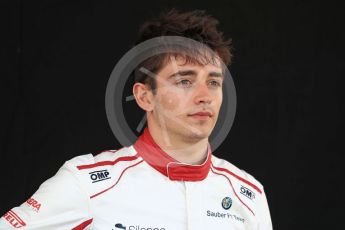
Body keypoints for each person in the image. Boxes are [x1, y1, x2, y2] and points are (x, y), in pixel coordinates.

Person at [0, 9, 272, 230]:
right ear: (144, 97)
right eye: (185, 81)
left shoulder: (249, 195)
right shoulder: (87, 184)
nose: (205, 96)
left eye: (213, 82)